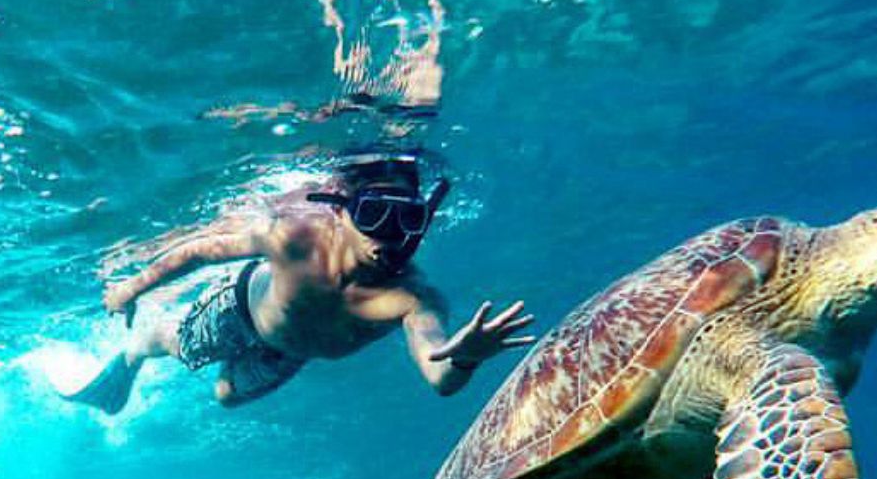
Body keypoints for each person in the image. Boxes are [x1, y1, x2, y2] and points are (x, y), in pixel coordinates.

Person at [61, 152, 535, 414]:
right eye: (372, 214)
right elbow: (200, 249)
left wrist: (466, 358)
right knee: (176, 345)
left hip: (291, 350)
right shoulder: (296, 238)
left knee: (226, 398)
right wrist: (131, 289)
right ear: (340, 211)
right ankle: (136, 348)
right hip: (239, 311)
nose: (387, 235)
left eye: (407, 218)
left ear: (424, 220)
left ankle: (198, 358)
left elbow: (439, 375)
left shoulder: (413, 298)